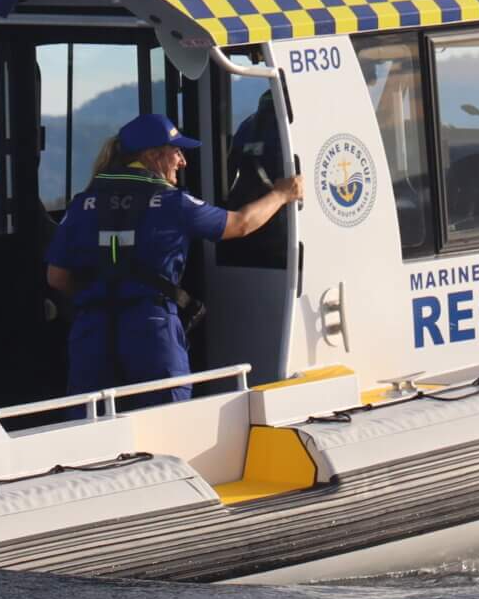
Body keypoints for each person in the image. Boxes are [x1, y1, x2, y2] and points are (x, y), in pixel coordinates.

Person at [45, 112, 301, 405]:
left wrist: (100, 297)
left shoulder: (81, 205)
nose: (183, 161)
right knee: (168, 424)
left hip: (91, 333)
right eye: (177, 152)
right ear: (153, 156)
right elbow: (240, 224)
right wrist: (281, 195)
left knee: (92, 428)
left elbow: (57, 277)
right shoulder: (171, 202)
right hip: (151, 331)